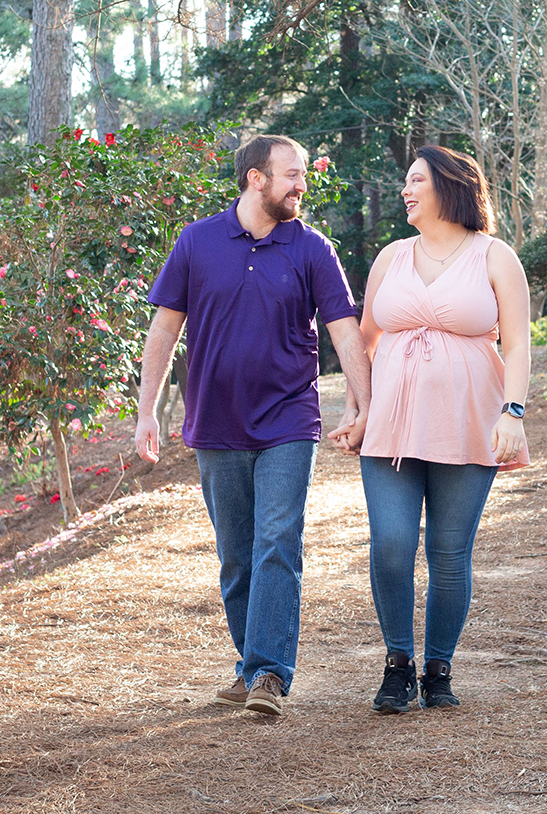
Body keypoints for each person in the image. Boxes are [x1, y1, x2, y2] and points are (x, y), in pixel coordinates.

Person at [136, 135, 373, 718]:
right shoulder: (197, 242)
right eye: (291, 174)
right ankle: (249, 666)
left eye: (302, 175)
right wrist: (148, 409)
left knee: (276, 542)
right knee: (237, 554)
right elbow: (165, 330)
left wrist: (360, 405)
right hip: (215, 421)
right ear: (255, 179)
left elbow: (344, 330)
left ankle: (269, 672)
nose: (301, 184)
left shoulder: (313, 248)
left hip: (289, 417)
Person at [329, 145, 530, 713]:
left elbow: (516, 344)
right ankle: (398, 664)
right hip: (390, 425)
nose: (405, 189)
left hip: (469, 424)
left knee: (448, 552)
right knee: (391, 544)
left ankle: (438, 668)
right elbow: (364, 342)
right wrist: (356, 410)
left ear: (449, 187)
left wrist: (513, 413)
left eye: (416, 180)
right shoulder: (392, 256)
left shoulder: (495, 257)